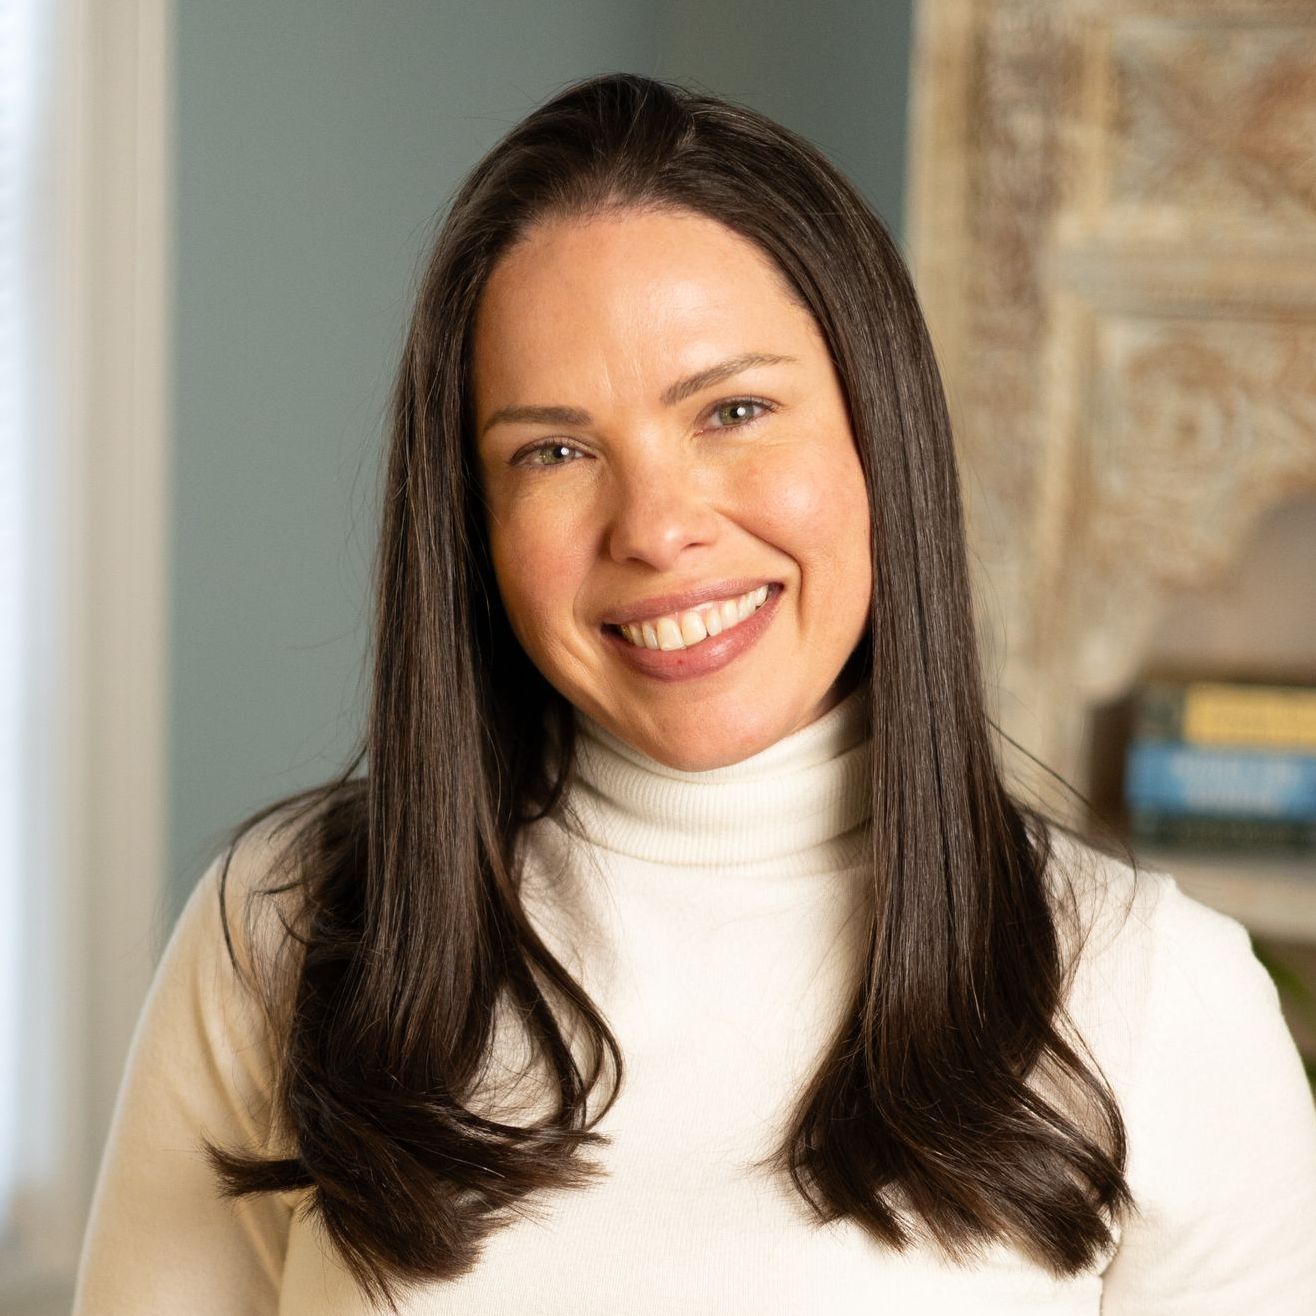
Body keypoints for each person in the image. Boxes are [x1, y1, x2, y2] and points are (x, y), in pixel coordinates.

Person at [73, 73, 1316, 1314]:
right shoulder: (284, 932)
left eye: (732, 409)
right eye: (551, 451)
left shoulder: (1158, 999)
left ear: (879, 434)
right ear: (474, 518)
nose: (657, 529)